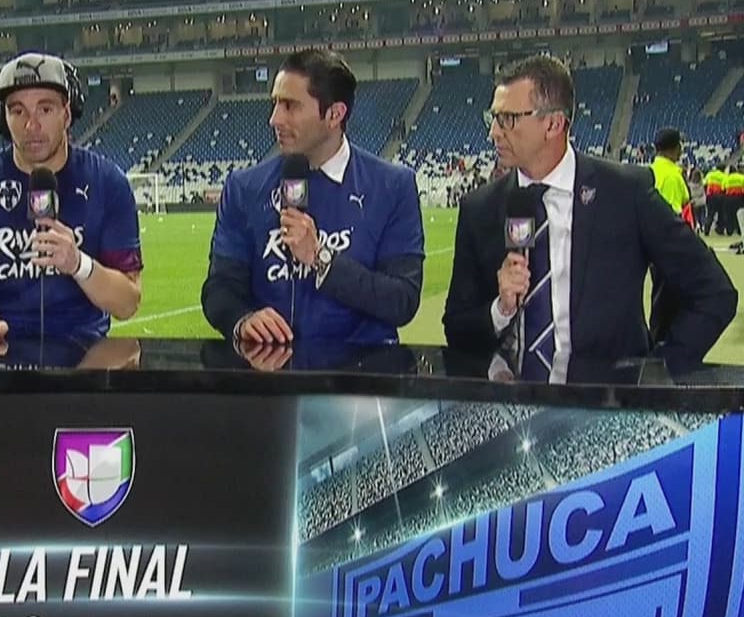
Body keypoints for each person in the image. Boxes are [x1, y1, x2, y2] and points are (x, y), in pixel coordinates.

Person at [443, 55, 736, 381]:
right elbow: (456, 328)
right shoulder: (480, 208)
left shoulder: (625, 193)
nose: (494, 133)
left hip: (604, 402)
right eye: (493, 118)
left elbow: (714, 292)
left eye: (508, 119)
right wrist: (501, 309)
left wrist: (658, 372)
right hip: (514, 401)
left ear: (553, 124)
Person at [200, 48, 425, 344]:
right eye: (275, 103)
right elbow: (219, 288)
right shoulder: (244, 187)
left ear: (334, 114)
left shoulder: (392, 186)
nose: (274, 119)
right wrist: (242, 320)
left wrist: (321, 259)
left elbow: (402, 300)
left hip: (362, 366)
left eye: (290, 106)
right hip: (272, 367)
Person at [0, 52, 143, 340]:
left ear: (67, 114)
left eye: (45, 109)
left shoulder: (108, 182)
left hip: (84, 350)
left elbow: (128, 302)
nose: (31, 126)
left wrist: (78, 264)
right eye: (17, 111)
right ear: (3, 118)